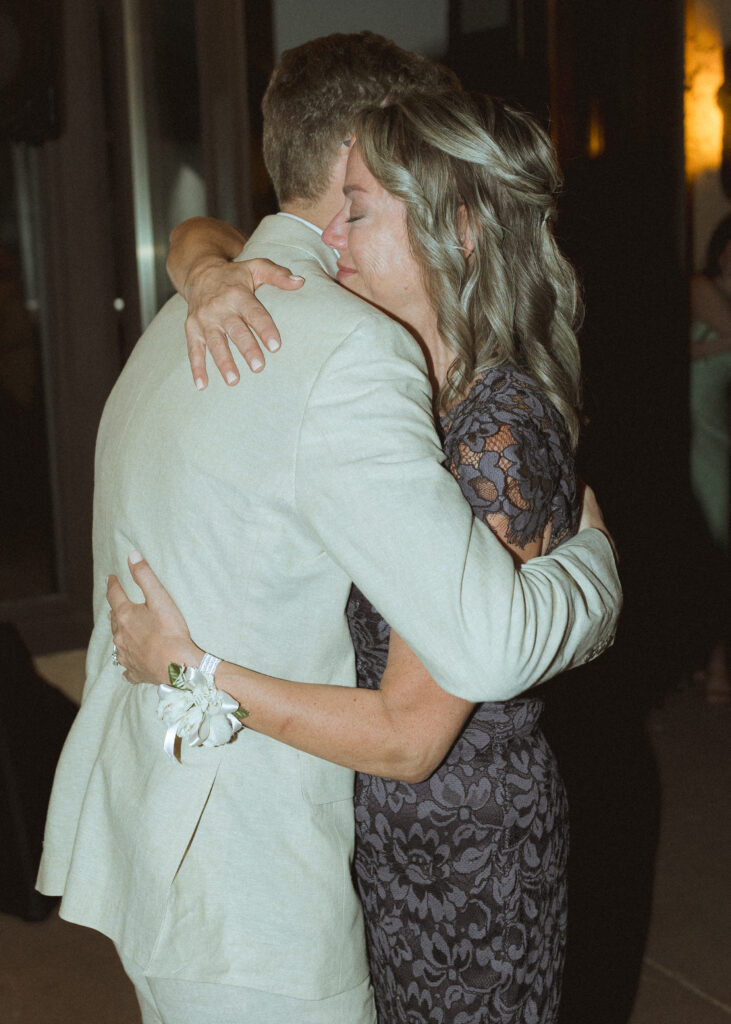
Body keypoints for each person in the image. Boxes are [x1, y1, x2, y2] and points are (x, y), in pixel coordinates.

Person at [38, 33, 620, 1024]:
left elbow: (423, 714)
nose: (336, 239)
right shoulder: (327, 346)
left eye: (363, 207)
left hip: (425, 855)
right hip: (269, 885)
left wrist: (595, 582)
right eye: (342, 202)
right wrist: (594, 578)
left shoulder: (183, 330)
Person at [689, 214, 731, 704]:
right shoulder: (703, 286)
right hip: (693, 432)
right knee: (713, 543)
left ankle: (712, 658)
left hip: (715, 432)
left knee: (715, 545)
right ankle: (713, 661)